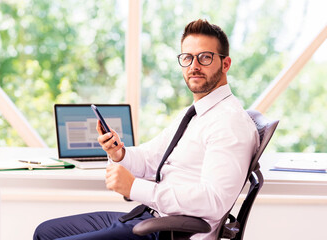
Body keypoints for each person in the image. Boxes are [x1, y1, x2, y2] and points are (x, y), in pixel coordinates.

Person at [33, 19, 259, 240]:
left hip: (171, 231)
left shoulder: (229, 123)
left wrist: (135, 188)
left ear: (225, 64)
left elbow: (214, 201)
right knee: (45, 232)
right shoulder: (196, 113)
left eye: (205, 57)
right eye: (187, 58)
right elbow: (151, 157)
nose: (194, 66)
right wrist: (119, 153)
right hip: (147, 218)